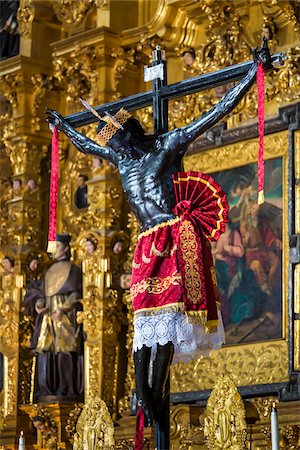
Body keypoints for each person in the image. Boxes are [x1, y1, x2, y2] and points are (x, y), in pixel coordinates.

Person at [45, 43, 272, 424]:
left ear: (131, 135)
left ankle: (153, 393)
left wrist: (252, 74)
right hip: (145, 242)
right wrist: (62, 126)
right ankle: (144, 392)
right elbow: (85, 145)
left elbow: (216, 113)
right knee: (144, 324)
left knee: (167, 319)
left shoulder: (165, 147)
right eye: (112, 147)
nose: (115, 151)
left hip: (171, 236)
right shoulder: (120, 157)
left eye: (117, 143)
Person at [28, 234, 83, 399]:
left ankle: (65, 388)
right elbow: (43, 291)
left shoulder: (74, 269)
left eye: (58, 246)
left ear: (66, 248)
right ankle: (46, 388)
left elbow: (76, 294)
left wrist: (63, 309)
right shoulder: (49, 270)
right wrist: (40, 303)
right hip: (48, 314)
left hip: (64, 315)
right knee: (46, 351)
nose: (55, 250)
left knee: (64, 351)